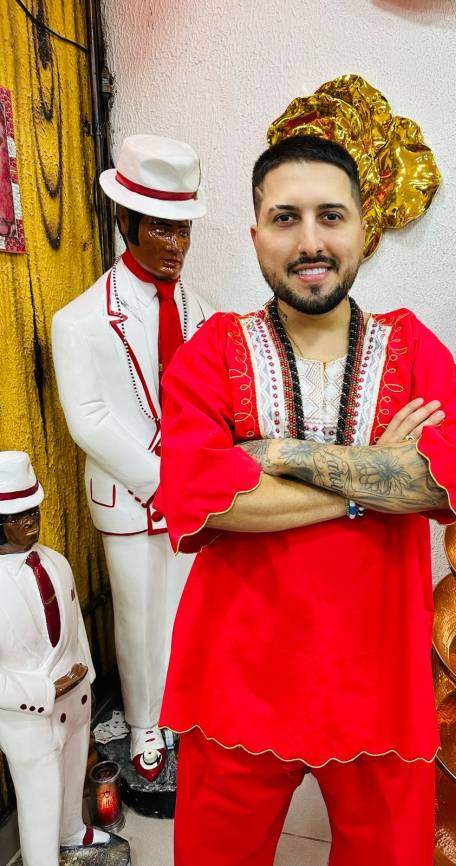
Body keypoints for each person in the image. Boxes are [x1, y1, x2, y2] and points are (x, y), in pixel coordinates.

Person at [154, 134, 456, 865]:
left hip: (382, 684)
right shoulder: (214, 350)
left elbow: (447, 478)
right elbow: (205, 498)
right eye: (286, 218)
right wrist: (374, 482)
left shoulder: (410, 348)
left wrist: (281, 455)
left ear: (364, 229)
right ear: (255, 236)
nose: (310, 241)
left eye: (330, 216)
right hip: (236, 682)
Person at [51, 134, 214, 781]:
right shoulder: (80, 321)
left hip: (189, 494)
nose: (176, 245)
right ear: (126, 222)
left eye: (184, 229)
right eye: (161, 228)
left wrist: (199, 471)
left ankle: (180, 711)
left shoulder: (204, 316)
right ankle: (146, 723)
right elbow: (88, 420)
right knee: (138, 616)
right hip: (129, 498)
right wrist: (161, 476)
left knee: (183, 610)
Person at [0, 451, 110, 865]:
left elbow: (75, 626)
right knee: (39, 798)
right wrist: (46, 691)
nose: (31, 521)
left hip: (74, 702)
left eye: (34, 511)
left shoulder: (56, 562)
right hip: (28, 717)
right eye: (18, 516)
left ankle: (72, 830)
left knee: (71, 774)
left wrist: (86, 680)